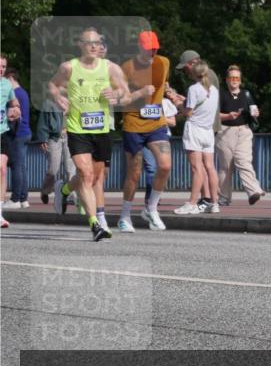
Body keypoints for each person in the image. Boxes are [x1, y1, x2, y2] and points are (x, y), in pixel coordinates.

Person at [48, 27, 139, 241]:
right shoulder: (69, 67)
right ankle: (94, 224)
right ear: (80, 44)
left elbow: (126, 94)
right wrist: (57, 97)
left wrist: (116, 95)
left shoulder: (111, 68)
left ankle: (64, 190)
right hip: (77, 128)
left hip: (101, 129)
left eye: (97, 42)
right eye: (89, 42)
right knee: (86, 174)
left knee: (96, 176)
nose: (94, 46)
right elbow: (53, 85)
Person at [116, 31, 172, 233]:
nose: (153, 51)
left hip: (156, 122)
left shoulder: (164, 62)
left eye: (155, 47)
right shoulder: (127, 67)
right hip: (133, 125)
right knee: (134, 173)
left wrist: (172, 94)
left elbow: (163, 84)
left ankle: (151, 208)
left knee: (165, 166)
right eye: (149, 48)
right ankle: (124, 215)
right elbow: (120, 100)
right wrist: (140, 93)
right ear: (140, 47)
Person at [175, 49, 220, 209]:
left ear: (193, 68)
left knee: (197, 167)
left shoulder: (194, 88)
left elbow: (189, 112)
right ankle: (214, 203)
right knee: (210, 167)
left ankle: (192, 203)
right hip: (208, 130)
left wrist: (177, 102)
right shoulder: (213, 89)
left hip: (195, 129)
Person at [216, 64, 265, 207]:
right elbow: (214, 115)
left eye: (237, 78)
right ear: (226, 79)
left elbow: (253, 110)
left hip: (243, 131)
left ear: (241, 80)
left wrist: (256, 113)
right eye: (231, 77)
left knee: (243, 161)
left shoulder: (246, 94)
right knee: (226, 167)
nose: (234, 80)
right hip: (225, 132)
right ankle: (224, 197)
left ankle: (253, 191)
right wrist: (228, 116)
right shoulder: (221, 94)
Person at [37, 97, 77, 206]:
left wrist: (69, 110)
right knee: (53, 169)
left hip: (70, 136)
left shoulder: (74, 99)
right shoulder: (49, 103)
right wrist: (42, 139)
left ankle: (70, 194)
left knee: (70, 168)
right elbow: (43, 122)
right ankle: (45, 191)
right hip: (54, 138)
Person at [2, 67, 31, 209]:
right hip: (25, 132)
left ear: (11, 78)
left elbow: (13, 115)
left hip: (17, 134)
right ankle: (23, 198)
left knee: (16, 167)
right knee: (21, 166)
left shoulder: (16, 94)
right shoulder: (23, 92)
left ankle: (15, 199)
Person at [0, 55, 23, 229]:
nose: (1, 69)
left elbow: (14, 103)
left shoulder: (7, 85)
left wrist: (15, 110)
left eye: (3, 67)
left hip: (3, 132)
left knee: (1, 169)